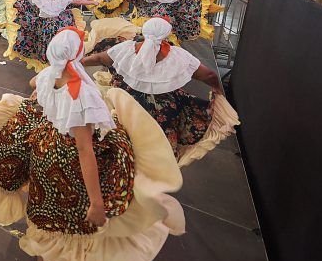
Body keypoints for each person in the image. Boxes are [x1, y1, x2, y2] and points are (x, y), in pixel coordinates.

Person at [0, 28, 184, 261]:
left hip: (45, 150)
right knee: (70, 213)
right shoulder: (80, 94)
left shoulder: (49, 75)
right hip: (67, 160)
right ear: (76, 54)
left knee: (45, 203)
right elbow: (84, 150)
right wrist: (97, 203)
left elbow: (34, 83)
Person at [81, 17, 240, 165]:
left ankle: (126, 166)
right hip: (162, 111)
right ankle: (157, 172)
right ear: (166, 35)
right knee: (160, 147)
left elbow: (99, 58)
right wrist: (218, 89)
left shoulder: (125, 49)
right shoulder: (179, 56)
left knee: (123, 134)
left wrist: (75, 64)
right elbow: (209, 75)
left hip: (126, 105)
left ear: (144, 31)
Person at [2, 0, 97, 71]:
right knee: (57, 47)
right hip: (59, 25)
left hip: (46, 25)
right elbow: (79, 1)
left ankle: (50, 69)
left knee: (44, 45)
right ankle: (59, 67)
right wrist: (92, 2)